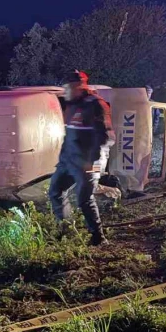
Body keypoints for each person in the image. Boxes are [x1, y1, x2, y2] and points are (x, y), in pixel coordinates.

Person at [49, 70, 115, 246]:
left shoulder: (96, 104)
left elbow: (106, 138)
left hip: (91, 162)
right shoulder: (72, 105)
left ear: (80, 85)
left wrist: (92, 162)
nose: (66, 91)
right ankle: (66, 230)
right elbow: (69, 135)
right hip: (69, 161)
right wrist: (63, 159)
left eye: (68, 87)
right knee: (55, 191)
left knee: (84, 198)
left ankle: (99, 238)